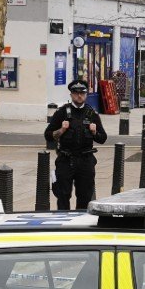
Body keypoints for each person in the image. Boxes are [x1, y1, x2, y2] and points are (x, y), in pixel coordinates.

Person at [44, 80, 107, 210]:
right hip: (66, 159)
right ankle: (63, 220)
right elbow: (48, 135)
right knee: (62, 195)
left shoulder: (92, 114)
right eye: (76, 93)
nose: (79, 96)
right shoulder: (62, 112)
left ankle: (81, 220)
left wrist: (94, 132)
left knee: (85, 197)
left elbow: (103, 138)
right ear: (71, 95)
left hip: (85, 160)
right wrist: (61, 130)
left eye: (82, 93)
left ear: (86, 95)